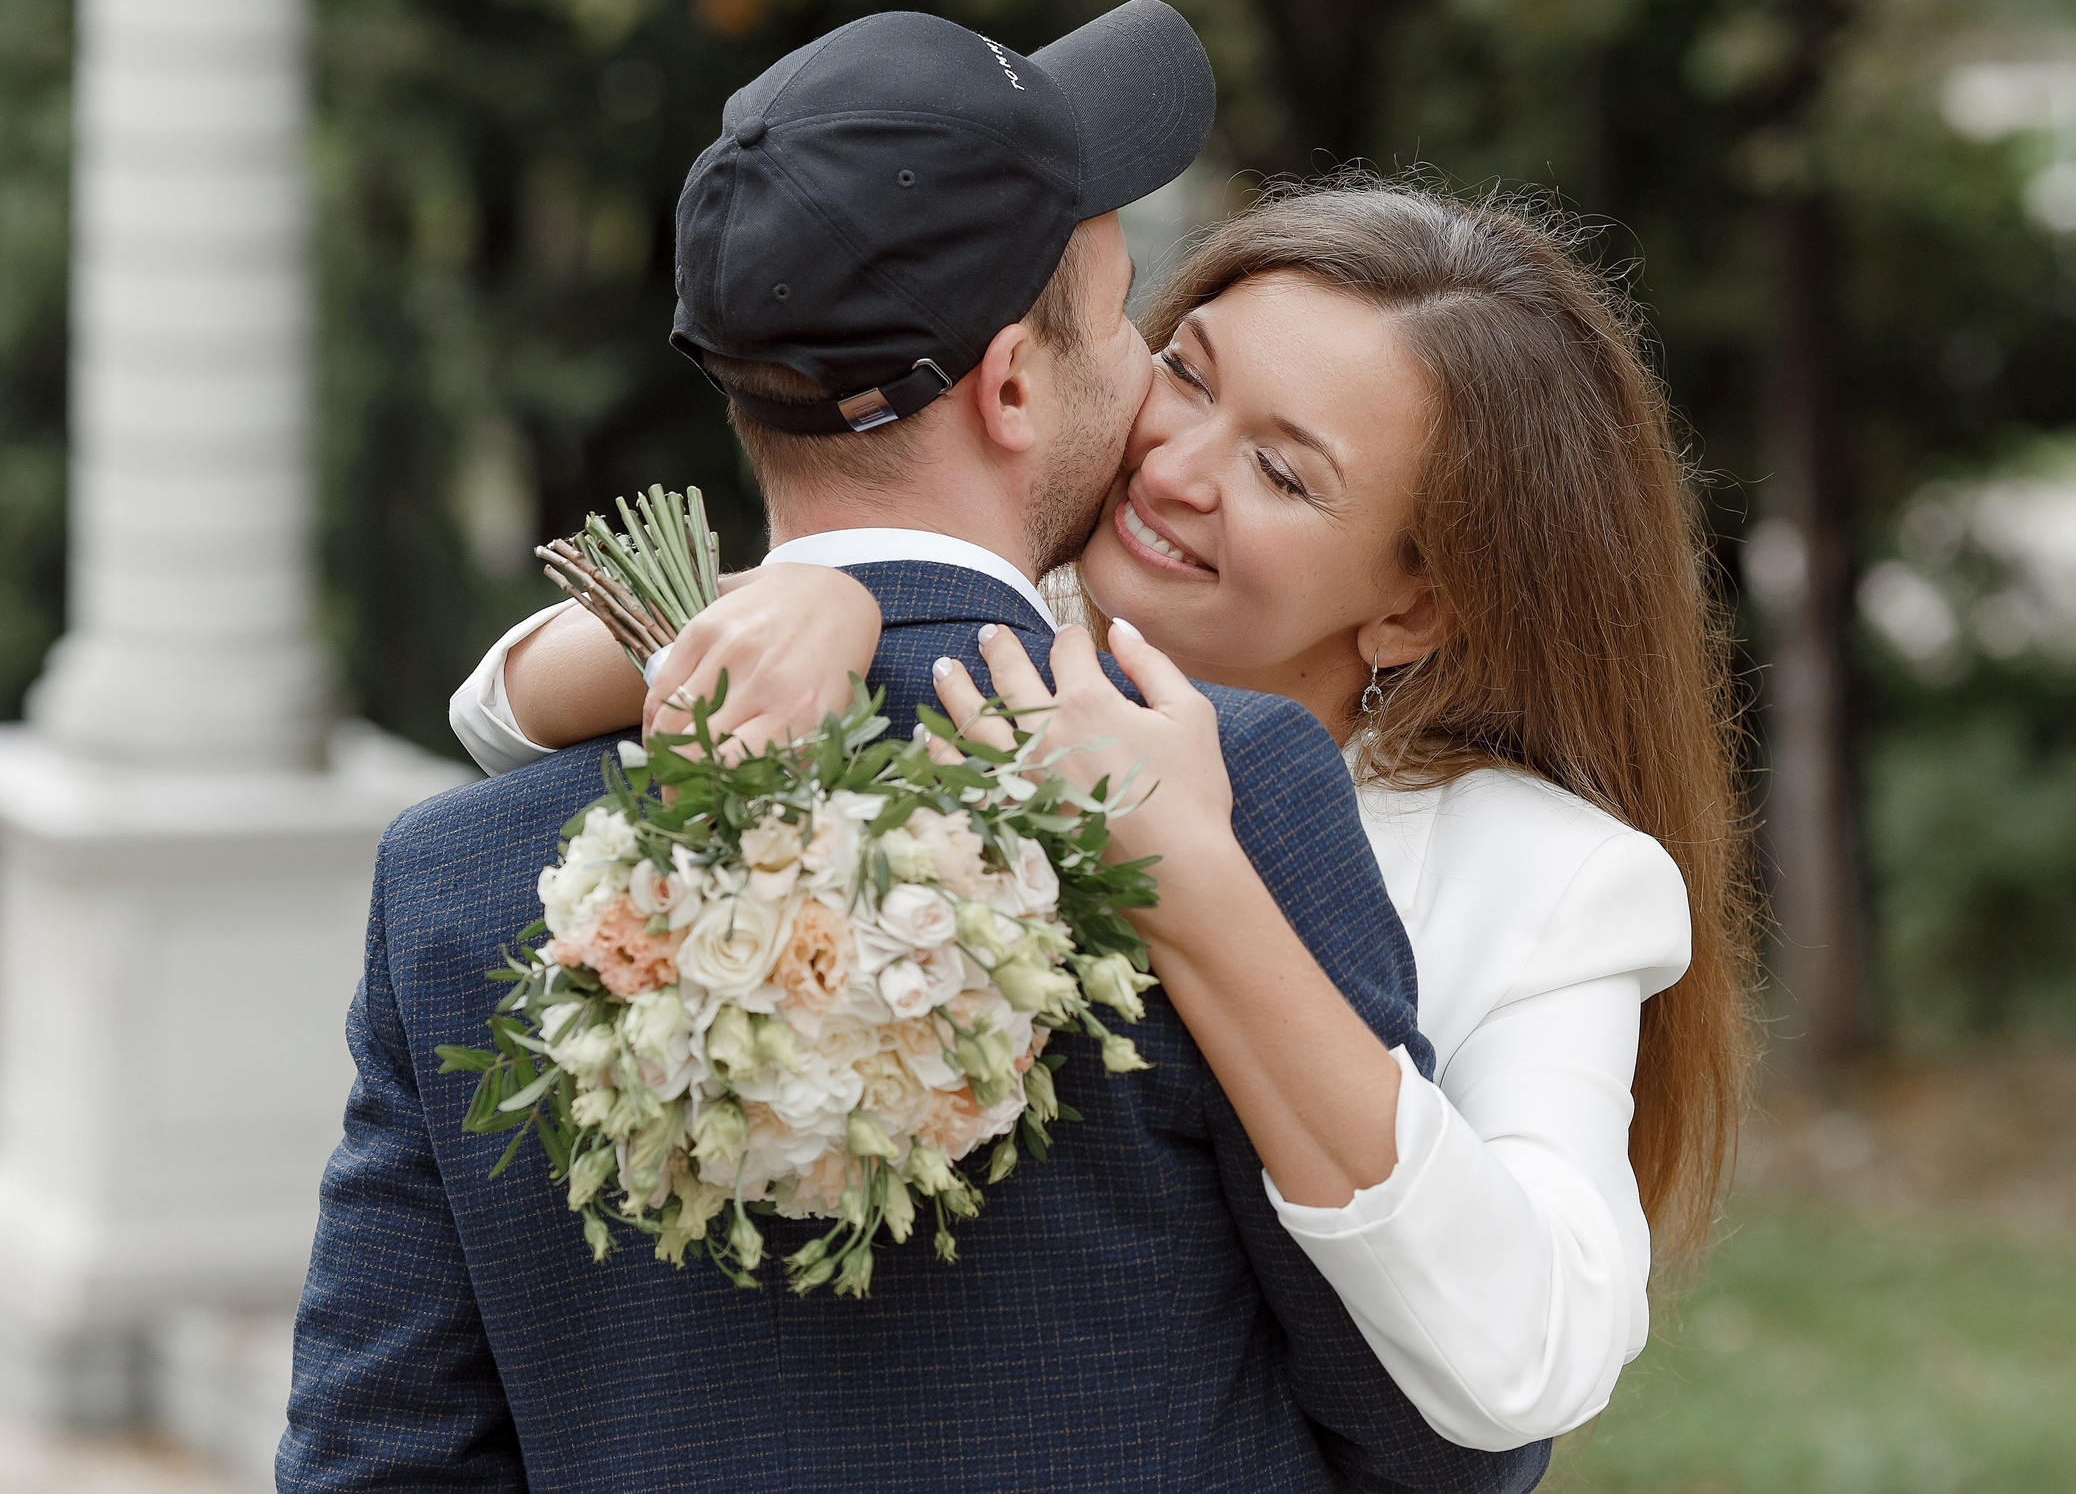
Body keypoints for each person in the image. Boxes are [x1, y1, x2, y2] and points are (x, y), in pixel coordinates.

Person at [283, 2, 1548, 1493]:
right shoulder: (1215, 786)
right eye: (1128, 315)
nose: (1154, 393)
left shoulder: (457, 878)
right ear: (1013, 382)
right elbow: (1442, 1447)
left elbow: (379, 1464)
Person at [458, 179, 1757, 1450]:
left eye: (1283, 475)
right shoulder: (988, 657)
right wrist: (818, 596)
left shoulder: (1541, 877)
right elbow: (499, 710)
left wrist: (1192, 875)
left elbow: (1534, 1360)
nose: (1177, 467)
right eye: (1186, 374)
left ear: (1413, 606)